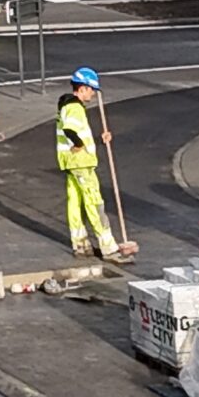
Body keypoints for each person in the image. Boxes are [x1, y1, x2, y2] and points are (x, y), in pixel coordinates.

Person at [56, 67, 132, 262]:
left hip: (71, 162)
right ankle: (109, 247)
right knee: (94, 201)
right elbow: (70, 130)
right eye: (91, 89)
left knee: (75, 202)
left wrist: (98, 140)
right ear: (82, 88)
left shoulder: (67, 107)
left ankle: (80, 244)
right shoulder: (74, 107)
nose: (92, 93)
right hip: (81, 162)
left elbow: (77, 133)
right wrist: (79, 145)